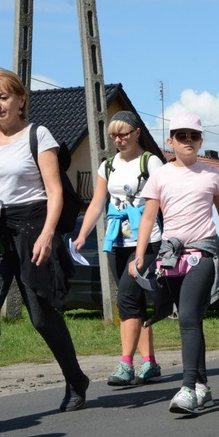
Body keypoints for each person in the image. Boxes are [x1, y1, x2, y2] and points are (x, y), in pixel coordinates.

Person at [0, 69, 88, 432]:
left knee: (42, 317)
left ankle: (76, 379)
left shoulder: (37, 135)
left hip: (32, 228)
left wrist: (47, 235)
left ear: (20, 99)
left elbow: (55, 191)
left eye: (3, 97)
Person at [130, 112, 219, 415]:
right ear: (169, 140)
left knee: (185, 317)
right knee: (192, 320)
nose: (187, 141)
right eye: (180, 135)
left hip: (203, 255)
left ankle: (186, 388)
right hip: (170, 257)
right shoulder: (160, 175)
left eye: (193, 136)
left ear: (201, 140)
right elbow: (148, 217)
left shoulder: (212, 175)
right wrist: (140, 254)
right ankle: (203, 386)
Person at [74, 111, 164, 385]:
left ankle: (125, 365)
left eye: (124, 133)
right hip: (118, 241)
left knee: (125, 298)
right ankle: (149, 363)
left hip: (148, 241)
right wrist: (81, 236)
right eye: (114, 135)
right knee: (133, 303)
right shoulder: (107, 166)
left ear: (137, 133)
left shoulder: (151, 162)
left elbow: (165, 199)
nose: (118, 139)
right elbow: (96, 203)